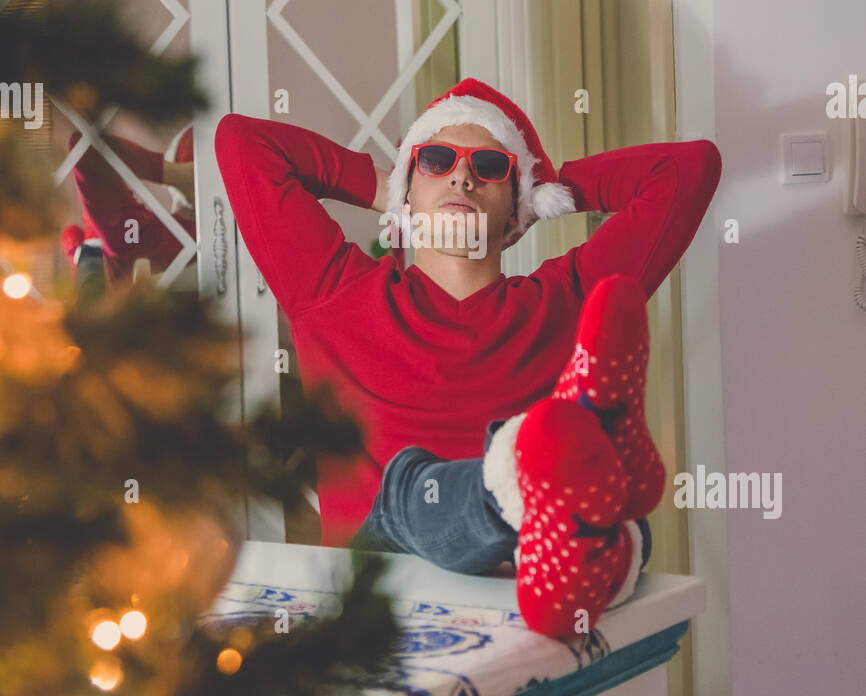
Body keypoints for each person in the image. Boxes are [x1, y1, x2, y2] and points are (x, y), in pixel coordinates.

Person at [214, 78, 721, 638]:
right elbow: (242, 142)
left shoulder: (565, 302)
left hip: (515, 594)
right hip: (381, 580)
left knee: (587, 497)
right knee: (411, 489)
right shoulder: (334, 293)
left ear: (514, 214)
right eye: (435, 160)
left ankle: (603, 534)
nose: (461, 175)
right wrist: (385, 187)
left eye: (490, 166)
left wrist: (545, 186)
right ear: (406, 192)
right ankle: (560, 507)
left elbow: (690, 169)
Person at [62, 125, 196, 290]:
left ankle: (88, 252)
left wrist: (178, 176)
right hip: (120, 257)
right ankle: (88, 253)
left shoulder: (126, 237)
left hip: (117, 252)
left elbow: (82, 148)